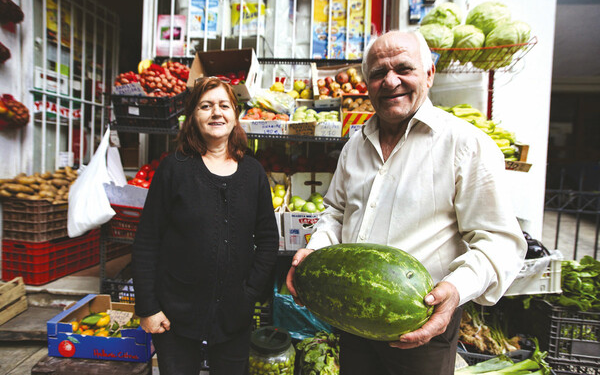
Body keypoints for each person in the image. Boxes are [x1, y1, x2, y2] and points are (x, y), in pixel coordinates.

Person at [285, 30, 527, 375]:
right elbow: (336, 213)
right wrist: (315, 249)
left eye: (403, 68)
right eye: (378, 73)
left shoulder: (466, 144)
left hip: (422, 326)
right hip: (352, 315)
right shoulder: (356, 145)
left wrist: (456, 291)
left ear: (429, 74)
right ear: (366, 83)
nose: (390, 81)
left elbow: (500, 241)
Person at [132, 77, 279, 375]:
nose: (216, 113)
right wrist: (147, 307)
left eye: (224, 105)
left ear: (235, 115)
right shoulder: (174, 168)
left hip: (234, 316)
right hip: (174, 314)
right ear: (192, 116)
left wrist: (249, 293)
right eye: (206, 106)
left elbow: (267, 240)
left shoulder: (253, 173)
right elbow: (147, 241)